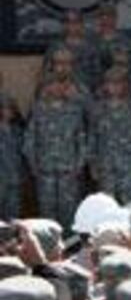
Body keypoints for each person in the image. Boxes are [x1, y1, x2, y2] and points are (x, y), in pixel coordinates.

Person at [24, 79, 88, 229]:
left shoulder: (74, 110)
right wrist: (34, 166)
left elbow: (82, 140)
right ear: (46, 87)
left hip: (69, 170)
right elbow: (29, 141)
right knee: (47, 211)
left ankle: (70, 246)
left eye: (61, 84)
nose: (57, 88)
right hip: (45, 170)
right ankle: (49, 246)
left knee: (69, 211)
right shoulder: (38, 110)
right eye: (52, 83)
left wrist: (79, 165)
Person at [89, 68, 131, 205]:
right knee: (107, 208)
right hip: (105, 167)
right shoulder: (98, 110)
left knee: (129, 207)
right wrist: (93, 165)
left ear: (125, 85)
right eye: (111, 83)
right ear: (105, 85)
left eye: (119, 83)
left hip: (129, 167)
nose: (115, 87)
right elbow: (92, 138)